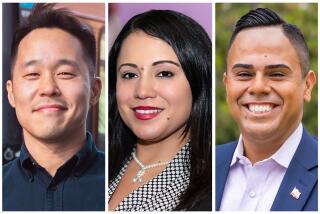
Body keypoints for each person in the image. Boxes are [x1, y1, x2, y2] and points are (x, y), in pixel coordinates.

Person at [3, 4, 104, 211]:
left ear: (94, 90)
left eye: (65, 73)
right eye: (32, 74)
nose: (48, 88)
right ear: (11, 94)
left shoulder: (120, 185)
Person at [108, 10, 212, 211]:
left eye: (164, 73)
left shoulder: (212, 190)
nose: (143, 91)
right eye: (129, 75)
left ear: (198, 81)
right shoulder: (101, 167)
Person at [216, 8, 317, 211]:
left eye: (277, 74)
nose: (258, 87)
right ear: (227, 86)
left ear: (307, 86)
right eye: (244, 74)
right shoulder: (205, 166)